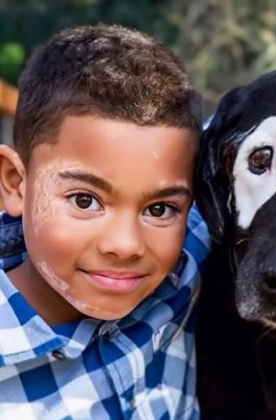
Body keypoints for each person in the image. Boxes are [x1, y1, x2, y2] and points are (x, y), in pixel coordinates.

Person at [0, 24, 210, 420]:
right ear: (15, 183)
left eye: (160, 209)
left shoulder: (183, 269)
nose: (126, 244)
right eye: (85, 200)